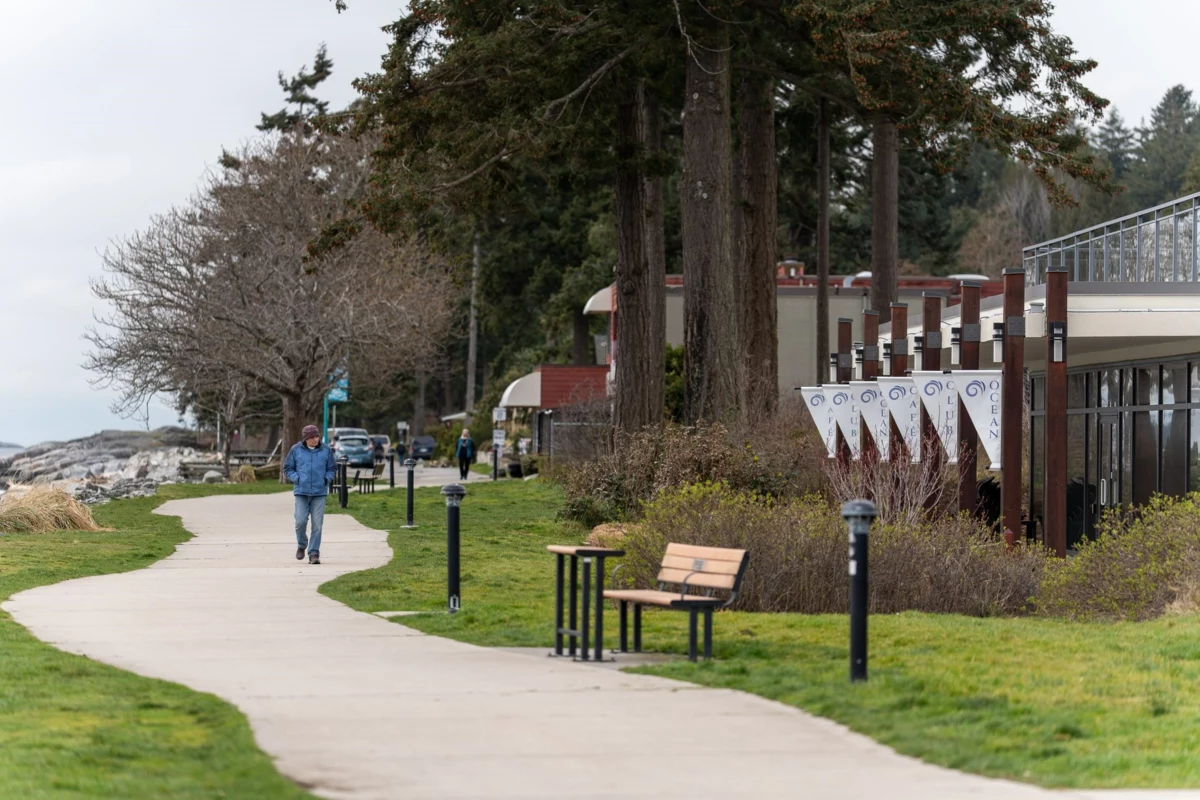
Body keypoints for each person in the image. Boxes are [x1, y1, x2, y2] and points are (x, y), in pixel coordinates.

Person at [283, 424, 337, 565]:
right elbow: (287, 468)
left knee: (317, 524)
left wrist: (326, 479)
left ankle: (314, 553)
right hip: (301, 492)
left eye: (316, 436)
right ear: (305, 438)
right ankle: (302, 545)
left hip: (319, 493)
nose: (315, 439)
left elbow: (332, 468)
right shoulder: (296, 450)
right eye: (311, 437)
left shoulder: (326, 450)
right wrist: (297, 479)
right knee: (300, 522)